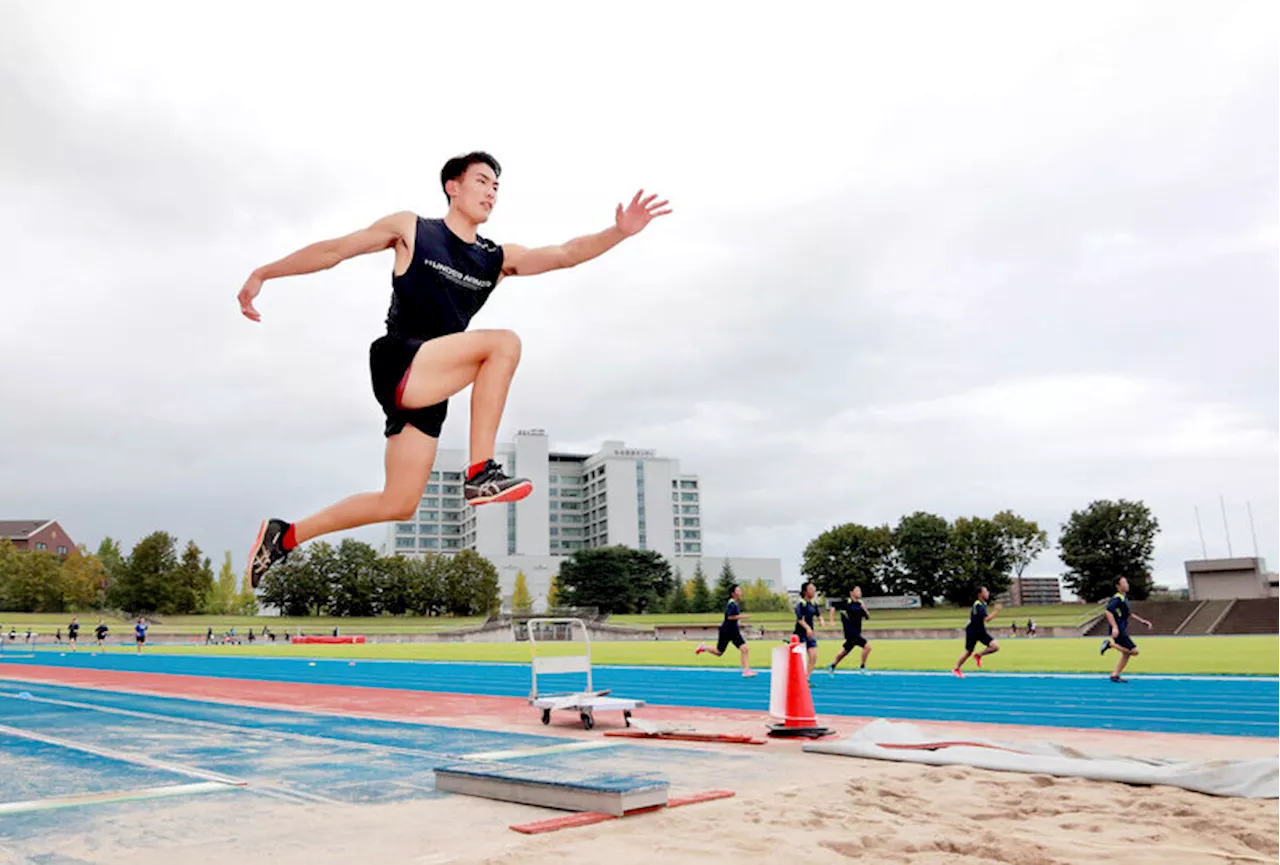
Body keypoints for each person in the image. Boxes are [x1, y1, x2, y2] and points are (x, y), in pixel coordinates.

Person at [237, 152, 671, 588]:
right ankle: (480, 471)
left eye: (496, 187)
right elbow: (334, 251)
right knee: (503, 344)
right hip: (399, 359)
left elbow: (564, 254)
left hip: (432, 384)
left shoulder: (494, 258)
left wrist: (619, 232)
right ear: (453, 187)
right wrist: (264, 273)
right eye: (482, 182)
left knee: (399, 502)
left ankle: (285, 537)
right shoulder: (411, 229)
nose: (491, 192)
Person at [695, 583, 757, 677]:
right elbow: (730, 617)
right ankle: (746, 670)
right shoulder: (732, 604)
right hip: (728, 631)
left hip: (729, 630)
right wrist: (743, 617)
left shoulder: (734, 603)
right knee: (744, 649)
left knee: (719, 652)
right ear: (733, 593)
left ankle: (704, 647)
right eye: (738, 591)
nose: (741, 592)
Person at [1099, 577, 1153, 683]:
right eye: (1124, 582)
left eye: (1127, 582)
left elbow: (1129, 614)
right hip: (1119, 630)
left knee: (1126, 653)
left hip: (1121, 628)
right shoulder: (1117, 598)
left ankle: (1115, 675)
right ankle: (1109, 645)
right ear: (1118, 586)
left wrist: (1142, 621)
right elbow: (1108, 612)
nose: (1127, 584)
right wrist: (1114, 627)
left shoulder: (1124, 598)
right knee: (1135, 651)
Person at [953, 586, 1002, 678]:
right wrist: (996, 611)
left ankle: (978, 655)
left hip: (981, 631)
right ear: (980, 594)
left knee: (995, 647)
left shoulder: (982, 604)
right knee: (968, 652)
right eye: (986, 591)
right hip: (973, 631)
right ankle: (956, 669)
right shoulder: (978, 605)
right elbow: (987, 619)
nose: (988, 593)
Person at [826, 585, 872, 674]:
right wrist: (831, 621)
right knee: (868, 646)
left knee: (845, 652)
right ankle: (862, 667)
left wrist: (865, 609)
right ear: (852, 593)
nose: (860, 592)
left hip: (857, 631)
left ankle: (832, 666)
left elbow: (867, 617)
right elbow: (833, 608)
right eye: (857, 591)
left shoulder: (859, 604)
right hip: (850, 632)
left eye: (860, 590)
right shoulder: (846, 602)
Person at [793, 582, 821, 679]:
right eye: (811, 589)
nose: (813, 590)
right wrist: (808, 628)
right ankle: (798, 678)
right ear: (805, 591)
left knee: (813, 656)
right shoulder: (801, 604)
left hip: (810, 634)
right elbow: (800, 619)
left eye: (814, 588)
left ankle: (806, 678)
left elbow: (818, 614)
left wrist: (821, 620)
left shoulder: (813, 604)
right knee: (800, 658)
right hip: (800, 634)